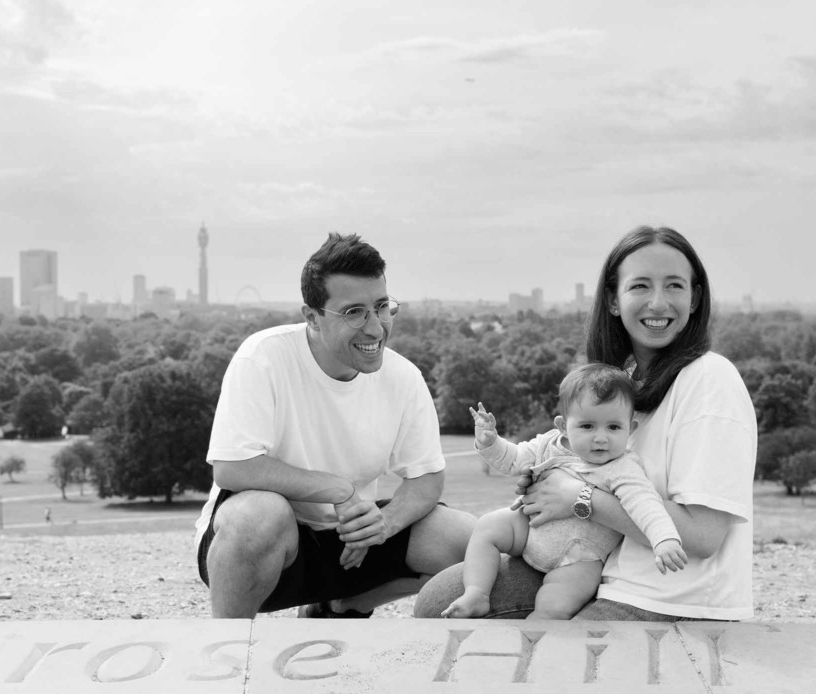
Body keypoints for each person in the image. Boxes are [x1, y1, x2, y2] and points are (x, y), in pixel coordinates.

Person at [415, 225, 757, 621]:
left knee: (543, 647)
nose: (658, 303)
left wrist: (579, 499)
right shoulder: (622, 384)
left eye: (675, 286)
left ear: (695, 298)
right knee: (440, 598)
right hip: (607, 570)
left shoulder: (710, 379)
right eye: (640, 286)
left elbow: (703, 536)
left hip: (669, 600)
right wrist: (544, 485)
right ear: (613, 300)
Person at [195, 232, 474, 619]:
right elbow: (232, 466)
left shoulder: (403, 377)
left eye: (381, 307)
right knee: (258, 515)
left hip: (351, 544)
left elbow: (426, 479)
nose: (376, 328)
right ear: (312, 316)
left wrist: (384, 524)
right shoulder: (263, 358)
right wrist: (336, 489)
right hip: (270, 550)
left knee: (471, 543)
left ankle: (341, 606)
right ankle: (228, 649)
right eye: (354, 312)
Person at [441, 364, 684, 620]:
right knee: (490, 525)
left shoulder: (623, 467)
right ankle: (477, 593)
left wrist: (664, 538)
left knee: (556, 604)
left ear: (630, 429)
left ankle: (538, 632)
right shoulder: (548, 444)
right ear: (563, 426)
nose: (601, 438)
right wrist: (489, 442)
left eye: (613, 427)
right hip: (528, 530)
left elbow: (645, 503)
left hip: (579, 557)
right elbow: (512, 460)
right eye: (587, 426)